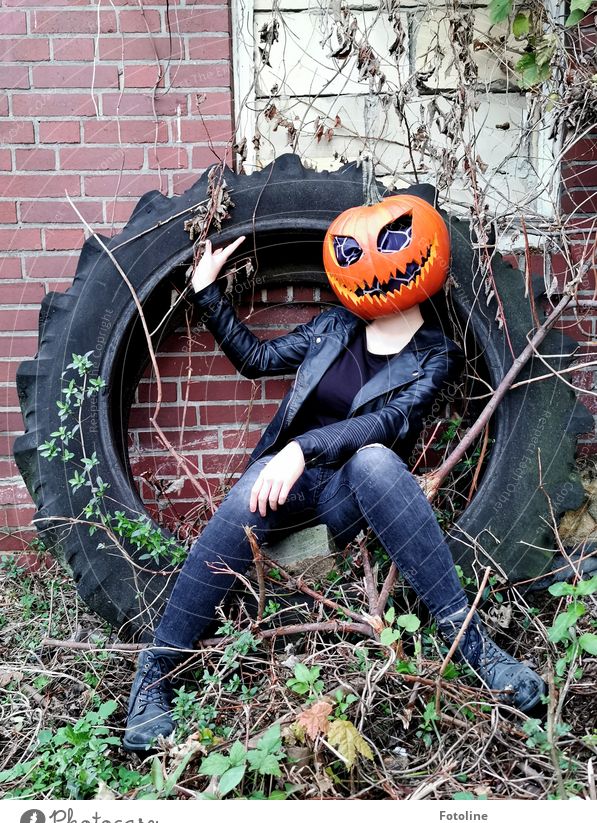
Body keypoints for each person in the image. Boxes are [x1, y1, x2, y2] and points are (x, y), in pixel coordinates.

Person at [122, 220, 546, 754]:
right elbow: (257, 361)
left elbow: (390, 422)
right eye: (354, 251)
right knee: (258, 476)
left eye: (391, 242)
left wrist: (303, 448)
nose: (370, 262)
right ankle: (156, 670)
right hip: (278, 490)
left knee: (375, 460)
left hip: (342, 497)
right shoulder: (332, 326)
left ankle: (474, 647)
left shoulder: (435, 356)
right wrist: (206, 291)